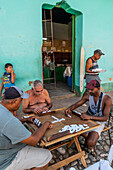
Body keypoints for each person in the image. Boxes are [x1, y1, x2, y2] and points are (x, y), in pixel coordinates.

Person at [0, 86, 52, 170]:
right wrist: (45, 125)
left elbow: (7, 127)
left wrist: (24, 120)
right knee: (47, 155)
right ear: (14, 101)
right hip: (5, 161)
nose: (21, 103)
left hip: (3, 150)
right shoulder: (9, 120)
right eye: (21, 101)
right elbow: (34, 140)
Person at [65, 80, 112, 153]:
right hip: (88, 118)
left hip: (99, 122)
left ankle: (88, 137)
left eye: (92, 89)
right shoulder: (88, 96)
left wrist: (90, 117)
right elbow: (77, 104)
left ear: (98, 88)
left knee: (90, 143)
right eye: (89, 89)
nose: (90, 91)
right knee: (70, 124)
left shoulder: (107, 99)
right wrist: (69, 108)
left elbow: (105, 118)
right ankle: (88, 135)